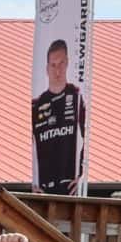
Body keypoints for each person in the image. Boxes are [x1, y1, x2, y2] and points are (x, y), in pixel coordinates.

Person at [31, 38, 86, 195]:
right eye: (53, 65)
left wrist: (83, 175)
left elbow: (91, 139)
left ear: (67, 63)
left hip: (69, 191)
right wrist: (33, 183)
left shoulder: (76, 97)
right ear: (47, 68)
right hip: (43, 193)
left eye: (61, 64)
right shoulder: (36, 105)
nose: (57, 71)